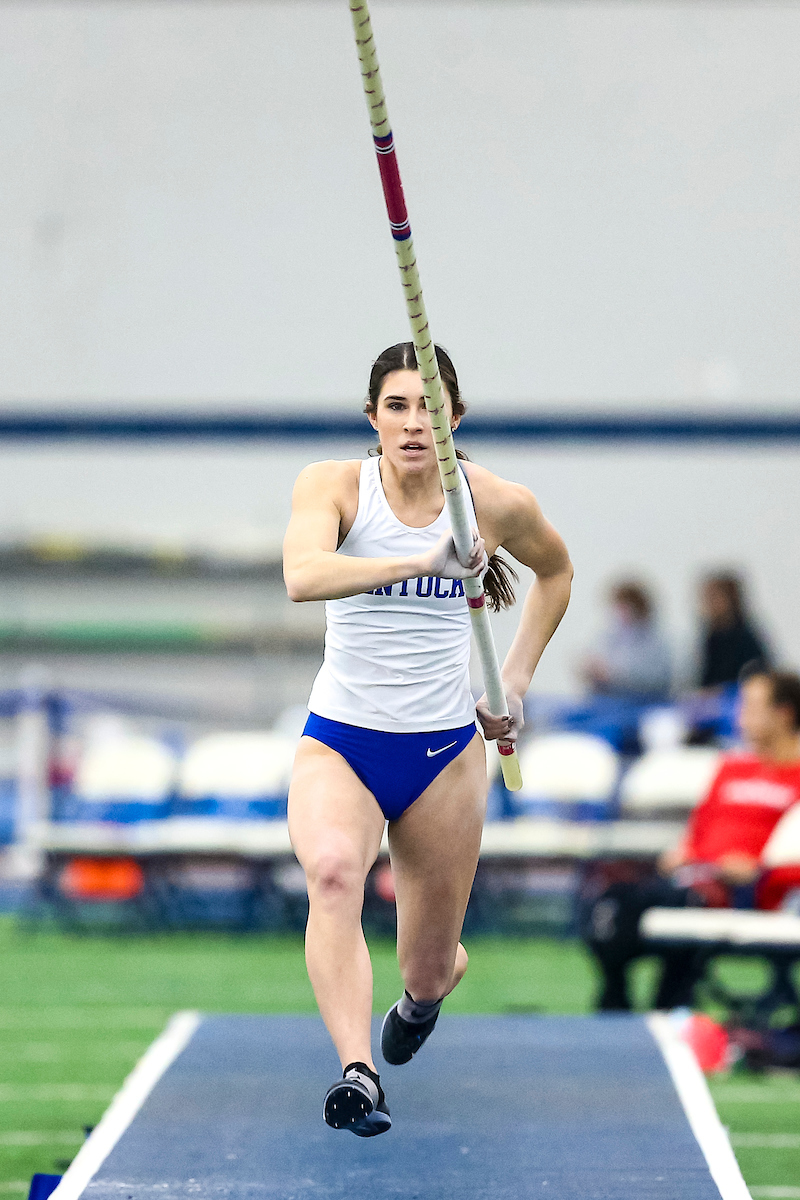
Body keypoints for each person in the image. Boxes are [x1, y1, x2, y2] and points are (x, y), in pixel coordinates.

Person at [282, 342, 572, 1136]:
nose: (416, 424)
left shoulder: (491, 501)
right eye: (400, 406)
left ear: (456, 420)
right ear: (373, 416)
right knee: (335, 874)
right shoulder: (335, 485)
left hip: (444, 754)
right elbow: (302, 575)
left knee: (429, 966)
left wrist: (512, 681)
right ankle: (357, 1073)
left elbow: (558, 573)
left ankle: (425, 994)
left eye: (432, 408)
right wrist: (422, 558)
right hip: (341, 740)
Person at [582, 666, 800, 1012]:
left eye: (751, 707)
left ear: (784, 713)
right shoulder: (732, 768)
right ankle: (616, 1002)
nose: (740, 716)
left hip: (743, 892)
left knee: (681, 908)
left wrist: (759, 871)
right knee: (610, 901)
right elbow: (699, 832)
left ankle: (666, 1009)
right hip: (690, 878)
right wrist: (684, 853)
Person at [581, 580, 672, 702]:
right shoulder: (610, 634)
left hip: (642, 702)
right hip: (608, 700)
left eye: (625, 606)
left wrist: (614, 675)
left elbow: (658, 679)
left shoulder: (656, 639)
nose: (621, 612)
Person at [698, 572, 770, 690]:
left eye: (714, 598)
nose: (708, 605)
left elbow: (756, 677)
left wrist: (721, 691)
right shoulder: (711, 637)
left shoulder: (745, 637)